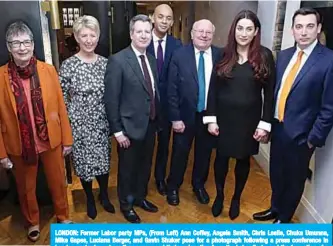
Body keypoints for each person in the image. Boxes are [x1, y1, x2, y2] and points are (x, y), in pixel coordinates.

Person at [253, 7, 333, 223]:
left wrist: (312, 140)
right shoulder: (285, 55)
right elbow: (276, 92)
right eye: (299, 27)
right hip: (278, 129)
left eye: (309, 26)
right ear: (292, 30)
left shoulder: (328, 60)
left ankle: (285, 218)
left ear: (318, 29)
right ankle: (275, 208)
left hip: (302, 137)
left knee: (294, 180)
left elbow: (329, 107)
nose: (304, 32)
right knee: (277, 174)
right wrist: (268, 124)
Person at [0, 21, 73, 242]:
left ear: (33, 44)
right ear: (8, 47)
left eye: (26, 42)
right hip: (19, 144)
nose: (22, 47)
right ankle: (32, 222)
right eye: (16, 43)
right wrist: (2, 154)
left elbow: (61, 107)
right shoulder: (0, 77)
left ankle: (63, 215)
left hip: (50, 139)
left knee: (58, 182)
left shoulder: (48, 70)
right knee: (25, 188)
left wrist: (67, 139)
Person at [205, 10, 275, 220]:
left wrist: (265, 124)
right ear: (234, 29)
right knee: (221, 159)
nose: (243, 33)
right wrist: (211, 119)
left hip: (248, 121)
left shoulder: (264, 56)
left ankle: (236, 198)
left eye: (249, 29)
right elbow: (212, 90)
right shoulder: (222, 54)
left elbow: (270, 94)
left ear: (256, 32)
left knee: (243, 161)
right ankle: (219, 195)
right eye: (240, 28)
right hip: (224, 120)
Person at [104, 14, 160, 223]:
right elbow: (111, 99)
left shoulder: (151, 60)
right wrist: (117, 131)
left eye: (147, 31)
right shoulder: (118, 60)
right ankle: (126, 204)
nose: (144, 35)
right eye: (139, 31)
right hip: (128, 128)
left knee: (145, 166)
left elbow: (151, 92)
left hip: (150, 124)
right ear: (131, 34)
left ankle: (140, 197)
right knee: (127, 169)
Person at [59, 15, 114, 220]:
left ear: (98, 37)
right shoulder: (68, 65)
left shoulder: (107, 64)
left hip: (102, 123)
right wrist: (66, 128)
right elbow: (62, 99)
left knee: (103, 162)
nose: (89, 39)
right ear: (76, 37)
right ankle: (90, 198)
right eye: (84, 35)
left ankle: (105, 195)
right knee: (84, 165)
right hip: (79, 124)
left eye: (93, 35)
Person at [166, 19, 221, 206]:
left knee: (204, 154)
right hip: (184, 115)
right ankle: (173, 186)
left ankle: (198, 185)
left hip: (209, 116)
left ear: (212, 35)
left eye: (208, 32)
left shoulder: (220, 55)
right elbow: (171, 89)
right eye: (200, 31)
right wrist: (175, 118)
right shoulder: (179, 55)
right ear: (192, 33)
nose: (204, 35)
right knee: (180, 153)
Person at [147, 4, 182, 196]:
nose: (164, 21)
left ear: (172, 22)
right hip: (145, 106)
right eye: (160, 17)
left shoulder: (177, 46)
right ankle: (140, 181)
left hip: (168, 107)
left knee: (163, 146)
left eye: (168, 18)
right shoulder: (143, 41)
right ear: (153, 18)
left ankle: (160, 178)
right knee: (145, 147)